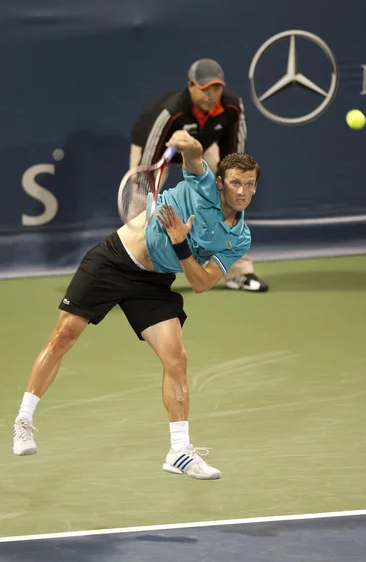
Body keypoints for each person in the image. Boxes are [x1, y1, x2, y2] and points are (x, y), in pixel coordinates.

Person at [13, 131, 260, 481]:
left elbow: (201, 283)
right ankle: (24, 420)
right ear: (220, 182)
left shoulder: (239, 237)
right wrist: (183, 143)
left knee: (178, 358)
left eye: (250, 185)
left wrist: (180, 244)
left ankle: (179, 452)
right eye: (236, 182)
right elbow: (192, 151)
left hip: (153, 281)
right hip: (113, 260)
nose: (242, 192)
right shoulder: (202, 182)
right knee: (64, 335)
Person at [129, 58, 268, 293]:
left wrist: (226, 182)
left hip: (200, 148)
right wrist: (145, 186)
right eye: (205, 89)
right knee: (140, 202)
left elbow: (234, 156)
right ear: (191, 86)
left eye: (217, 88)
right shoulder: (171, 111)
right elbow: (149, 162)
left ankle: (239, 273)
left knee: (231, 199)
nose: (211, 94)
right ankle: (129, 272)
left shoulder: (232, 107)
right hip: (154, 148)